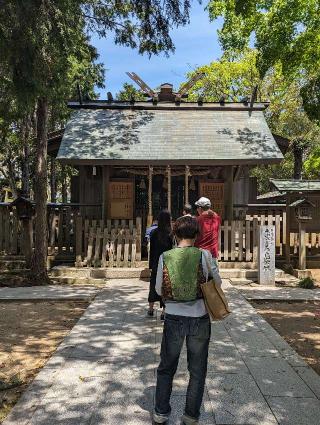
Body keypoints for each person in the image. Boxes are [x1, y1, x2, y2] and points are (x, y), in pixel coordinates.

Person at [153, 216, 222, 425]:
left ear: (175, 234)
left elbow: (158, 289)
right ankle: (191, 415)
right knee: (197, 369)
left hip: (173, 316)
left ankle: (161, 412)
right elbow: (217, 283)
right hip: (199, 317)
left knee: (167, 366)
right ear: (196, 235)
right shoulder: (204, 255)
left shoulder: (165, 256)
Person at [148, 210, 173, 319]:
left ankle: (151, 308)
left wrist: (150, 265)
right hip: (167, 263)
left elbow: (151, 251)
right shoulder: (171, 234)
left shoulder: (153, 233)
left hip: (156, 263)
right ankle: (164, 311)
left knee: (153, 284)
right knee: (166, 286)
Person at [194, 197, 221, 270]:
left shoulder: (198, 220)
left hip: (201, 253)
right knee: (213, 278)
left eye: (197, 207)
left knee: (201, 278)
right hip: (213, 253)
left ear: (200, 208)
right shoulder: (217, 218)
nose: (197, 209)